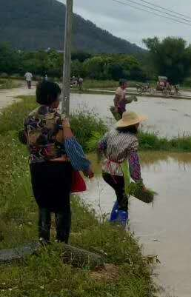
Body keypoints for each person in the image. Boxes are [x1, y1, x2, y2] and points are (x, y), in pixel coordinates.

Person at [22, 79, 93, 244]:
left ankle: (43, 241)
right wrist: (85, 166)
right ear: (50, 97)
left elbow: (28, 142)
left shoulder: (28, 118)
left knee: (44, 205)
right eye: (58, 97)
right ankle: (62, 245)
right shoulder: (60, 118)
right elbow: (71, 144)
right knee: (62, 208)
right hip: (59, 169)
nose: (59, 100)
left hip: (37, 168)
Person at [97, 109, 147, 227]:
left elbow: (99, 145)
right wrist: (140, 183)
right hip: (117, 175)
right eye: (137, 122)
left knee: (120, 194)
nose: (138, 124)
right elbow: (134, 165)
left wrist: (105, 157)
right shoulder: (132, 140)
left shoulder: (111, 132)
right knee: (123, 200)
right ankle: (119, 229)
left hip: (106, 171)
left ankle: (112, 222)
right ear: (132, 125)